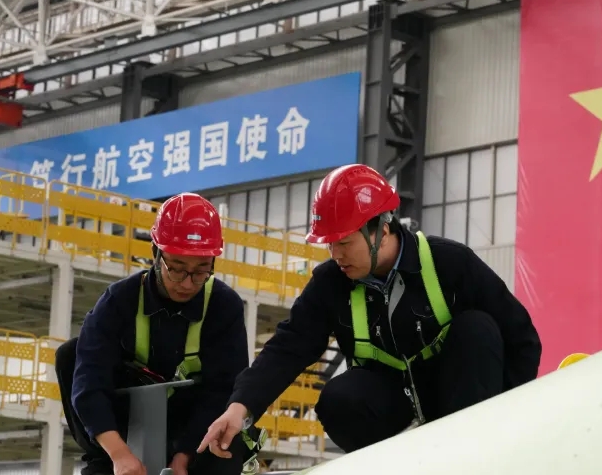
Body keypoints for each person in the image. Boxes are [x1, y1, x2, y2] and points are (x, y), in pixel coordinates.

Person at [197, 164, 542, 456]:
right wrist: (240, 408)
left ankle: (474, 455)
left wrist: (515, 419)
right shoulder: (331, 284)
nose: (336, 254)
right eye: (330, 244)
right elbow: (288, 347)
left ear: (382, 230)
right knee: (338, 399)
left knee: (477, 330)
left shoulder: (449, 264)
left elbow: (521, 338)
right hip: (392, 413)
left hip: (461, 408)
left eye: (344, 242)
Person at [55, 193, 252, 475]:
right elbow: (89, 384)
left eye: (201, 271)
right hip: (125, 427)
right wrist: (119, 455)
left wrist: (184, 458)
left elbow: (223, 390)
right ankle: (104, 459)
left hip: (196, 431)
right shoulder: (118, 301)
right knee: (69, 355)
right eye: (177, 269)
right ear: (155, 254)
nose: (188, 283)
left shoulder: (224, 305)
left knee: (224, 453)